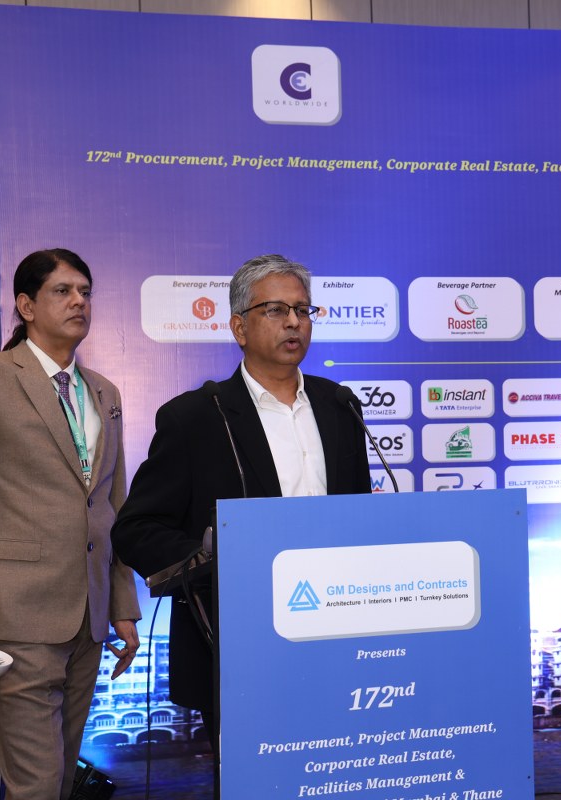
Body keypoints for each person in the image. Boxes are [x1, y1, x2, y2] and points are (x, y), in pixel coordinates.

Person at [112, 254, 371, 742]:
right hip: (236, 642)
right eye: (275, 310)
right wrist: (213, 557)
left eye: (303, 310)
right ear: (239, 327)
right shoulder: (196, 418)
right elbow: (136, 529)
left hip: (337, 634)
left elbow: (360, 514)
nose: (294, 322)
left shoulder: (340, 405)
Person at [0, 248, 141, 800]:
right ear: (25, 305)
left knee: (61, 777)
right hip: (13, 612)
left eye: (85, 292)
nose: (79, 302)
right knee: (37, 782)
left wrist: (121, 604)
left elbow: (111, 506)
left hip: (89, 616)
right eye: (62, 291)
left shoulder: (105, 392)